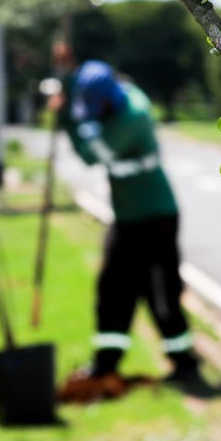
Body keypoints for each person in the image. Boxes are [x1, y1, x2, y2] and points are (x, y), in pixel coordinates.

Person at [50, 29, 201, 402]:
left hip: (155, 217)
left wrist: (67, 118)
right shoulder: (120, 95)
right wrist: (66, 71)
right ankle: (106, 364)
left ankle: (184, 364)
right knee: (113, 289)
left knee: (161, 292)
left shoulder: (131, 117)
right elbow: (84, 99)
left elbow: (89, 155)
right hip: (128, 217)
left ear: (108, 103)